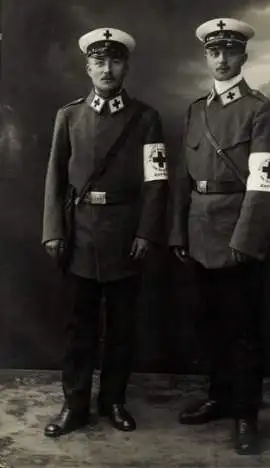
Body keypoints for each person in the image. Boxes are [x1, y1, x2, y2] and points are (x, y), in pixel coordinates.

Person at [42, 27, 168, 437]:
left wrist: (147, 232)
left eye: (115, 61)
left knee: (121, 327)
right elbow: (55, 180)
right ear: (87, 67)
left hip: (125, 236)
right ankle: (74, 405)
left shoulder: (146, 119)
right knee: (78, 328)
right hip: (79, 235)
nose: (107, 69)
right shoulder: (70, 115)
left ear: (126, 66)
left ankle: (113, 400)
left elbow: (156, 182)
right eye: (99, 61)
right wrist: (53, 231)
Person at [169, 18, 270, 454]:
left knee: (243, 331)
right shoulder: (196, 110)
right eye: (214, 51)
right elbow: (184, 176)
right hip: (199, 232)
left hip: (238, 234)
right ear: (206, 56)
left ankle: (245, 414)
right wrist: (179, 229)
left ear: (243, 57)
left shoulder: (259, 110)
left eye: (229, 51)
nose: (221, 58)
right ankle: (219, 397)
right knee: (210, 324)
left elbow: (266, 183)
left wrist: (245, 241)